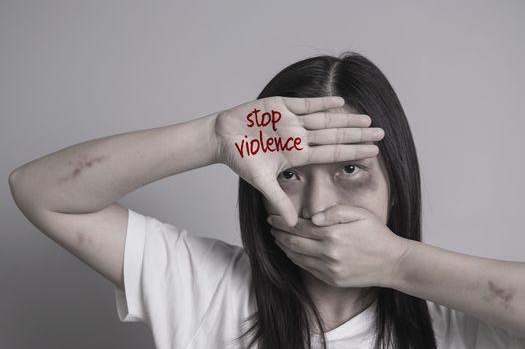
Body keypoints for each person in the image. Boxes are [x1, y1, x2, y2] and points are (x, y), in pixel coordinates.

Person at [8, 51, 525, 349]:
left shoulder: (462, 326)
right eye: (291, 174)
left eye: (350, 170)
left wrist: (401, 263)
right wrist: (210, 138)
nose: (319, 209)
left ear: (397, 184)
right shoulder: (206, 289)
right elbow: (40, 191)